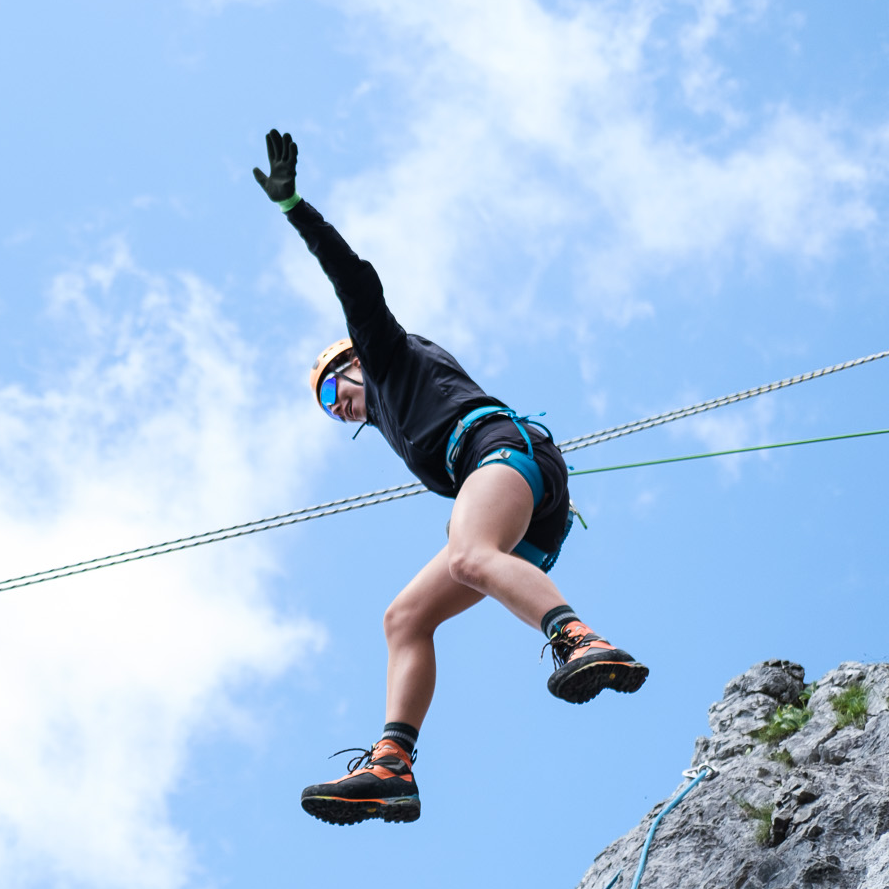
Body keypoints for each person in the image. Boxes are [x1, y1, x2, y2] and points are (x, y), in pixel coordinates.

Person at [254, 129, 647, 825]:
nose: (336, 407)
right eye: (326, 408)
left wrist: (295, 208)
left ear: (352, 361)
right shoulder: (396, 424)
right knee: (404, 616)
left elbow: (354, 276)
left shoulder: (384, 354)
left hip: (503, 453)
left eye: (329, 389)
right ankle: (391, 766)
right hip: (520, 508)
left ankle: (580, 639)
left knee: (468, 553)